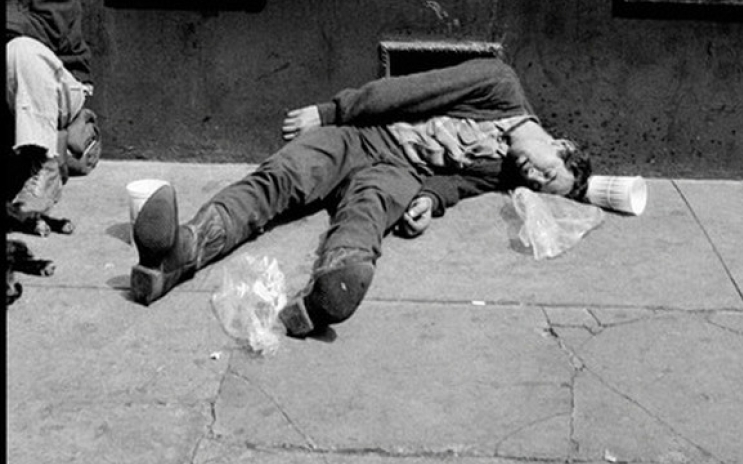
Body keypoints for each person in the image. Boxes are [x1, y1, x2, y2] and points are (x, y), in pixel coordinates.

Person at [130, 56, 592, 337]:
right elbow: (410, 90)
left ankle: (322, 299)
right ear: (560, 144)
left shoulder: (506, 168)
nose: (531, 176)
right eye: (546, 171)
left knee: (368, 216)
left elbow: (459, 184)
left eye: (537, 186)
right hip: (361, 134)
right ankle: (180, 249)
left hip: (402, 170)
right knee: (285, 176)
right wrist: (332, 111)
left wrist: (429, 200)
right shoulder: (500, 83)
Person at [6, 0, 95, 222]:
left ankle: (44, 168)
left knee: (22, 51)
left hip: (60, 86)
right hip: (11, 92)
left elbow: (48, 34)